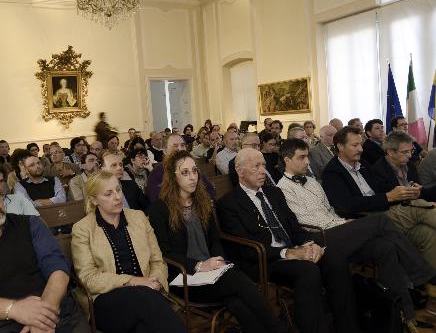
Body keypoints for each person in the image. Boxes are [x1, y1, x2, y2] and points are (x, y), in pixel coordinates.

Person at [276, 139, 436, 326]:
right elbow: (307, 221)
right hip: (317, 238)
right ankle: (422, 273)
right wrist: (343, 226)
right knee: (381, 220)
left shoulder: (312, 182)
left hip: (335, 229)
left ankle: (402, 315)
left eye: (307, 157)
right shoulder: (282, 189)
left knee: (385, 248)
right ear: (287, 160)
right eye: (301, 158)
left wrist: (345, 223)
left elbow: (329, 211)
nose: (307, 162)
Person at [216, 148, 365, 333]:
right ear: (240, 171)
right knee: (307, 270)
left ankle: (348, 327)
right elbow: (246, 250)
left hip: (292, 249)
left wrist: (311, 245)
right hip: (264, 261)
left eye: (264, 165)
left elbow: (295, 228)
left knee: (334, 258)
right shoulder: (228, 204)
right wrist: (288, 253)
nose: (263, 170)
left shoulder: (274, 193)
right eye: (256, 166)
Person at [147, 150, 289, 333]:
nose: (192, 177)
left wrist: (219, 260)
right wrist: (199, 265)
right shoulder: (159, 209)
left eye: (194, 171)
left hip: (213, 273)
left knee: (236, 302)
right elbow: (165, 253)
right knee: (238, 282)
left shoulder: (202, 202)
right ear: (172, 178)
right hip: (184, 278)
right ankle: (278, 328)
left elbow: (215, 239)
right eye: (184, 172)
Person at [0, 175, 88, 333]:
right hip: (0, 321)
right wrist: (16, 309)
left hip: (55, 309)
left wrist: (43, 316)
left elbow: (58, 269)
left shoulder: (31, 225)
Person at [71, 170, 185, 333]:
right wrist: (134, 281)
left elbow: (157, 261)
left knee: (144, 327)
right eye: (108, 194)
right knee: (146, 301)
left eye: (118, 189)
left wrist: (156, 281)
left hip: (148, 294)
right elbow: (88, 278)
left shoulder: (138, 217)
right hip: (106, 300)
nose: (117, 197)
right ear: (94, 200)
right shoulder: (83, 229)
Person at [321, 126, 436, 270]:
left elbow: (381, 190)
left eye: (361, 144)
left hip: (384, 213)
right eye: (355, 145)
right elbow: (347, 205)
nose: (361, 149)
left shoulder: (363, 165)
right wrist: (388, 197)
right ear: (340, 146)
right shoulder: (332, 173)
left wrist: (403, 192)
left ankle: (430, 284)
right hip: (364, 220)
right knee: (421, 206)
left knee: (427, 234)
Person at [146, 134, 216, 203]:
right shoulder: (156, 173)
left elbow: (210, 189)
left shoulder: (192, 167)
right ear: (165, 151)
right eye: (175, 146)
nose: (180, 149)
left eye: (182, 145)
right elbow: (157, 200)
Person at [371, 131, 436, 202]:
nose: (410, 155)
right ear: (390, 152)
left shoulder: (410, 165)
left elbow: (419, 192)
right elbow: (383, 200)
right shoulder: (378, 170)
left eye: (410, 151)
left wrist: (419, 192)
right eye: (405, 152)